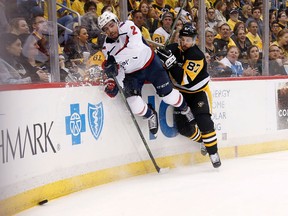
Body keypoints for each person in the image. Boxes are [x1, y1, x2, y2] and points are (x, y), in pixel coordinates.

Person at [98, 11, 194, 138]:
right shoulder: (106, 48)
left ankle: (185, 108)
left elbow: (135, 49)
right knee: (134, 104)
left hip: (150, 64)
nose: (110, 30)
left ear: (117, 21)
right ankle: (150, 114)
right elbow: (118, 69)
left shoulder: (128, 26)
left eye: (111, 25)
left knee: (169, 96)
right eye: (106, 29)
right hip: (132, 74)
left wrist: (114, 60)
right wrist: (113, 80)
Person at [156, 23, 221, 168]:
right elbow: (159, 60)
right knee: (184, 128)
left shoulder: (196, 55)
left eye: (189, 40)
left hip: (198, 94)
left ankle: (213, 152)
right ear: (179, 38)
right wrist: (160, 56)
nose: (185, 43)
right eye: (183, 39)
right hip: (181, 95)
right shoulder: (173, 49)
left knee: (204, 121)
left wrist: (171, 64)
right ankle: (204, 141)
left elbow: (184, 80)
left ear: (194, 40)